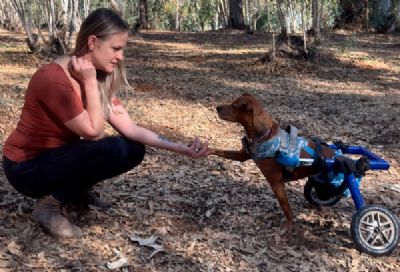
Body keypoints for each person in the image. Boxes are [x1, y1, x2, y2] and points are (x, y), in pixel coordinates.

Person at [2, 8, 210, 238]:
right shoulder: (53, 78)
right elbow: (94, 133)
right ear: (92, 42)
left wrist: (182, 148)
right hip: (25, 169)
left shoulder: (97, 76)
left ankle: (73, 192)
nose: (120, 56)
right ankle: (49, 207)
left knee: (132, 150)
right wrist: (90, 83)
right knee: (111, 148)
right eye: (116, 48)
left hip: (56, 159)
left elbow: (130, 128)